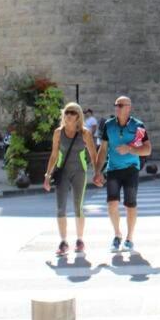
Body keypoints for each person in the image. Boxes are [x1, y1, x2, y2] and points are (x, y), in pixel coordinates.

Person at [93, 95, 151, 253]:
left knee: (130, 205)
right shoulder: (108, 125)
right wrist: (97, 171)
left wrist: (130, 149)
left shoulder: (138, 125)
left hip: (131, 168)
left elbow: (147, 149)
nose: (116, 107)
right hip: (113, 169)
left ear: (128, 107)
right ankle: (117, 234)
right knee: (112, 203)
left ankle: (129, 238)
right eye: (115, 105)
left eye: (120, 105)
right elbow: (103, 149)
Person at [43, 102, 98, 256]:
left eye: (73, 113)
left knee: (78, 207)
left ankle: (80, 240)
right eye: (67, 112)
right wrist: (47, 175)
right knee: (60, 208)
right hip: (62, 173)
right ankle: (63, 241)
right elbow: (54, 155)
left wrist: (97, 172)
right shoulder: (58, 133)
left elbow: (93, 154)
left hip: (79, 172)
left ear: (78, 116)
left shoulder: (85, 133)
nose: (69, 115)